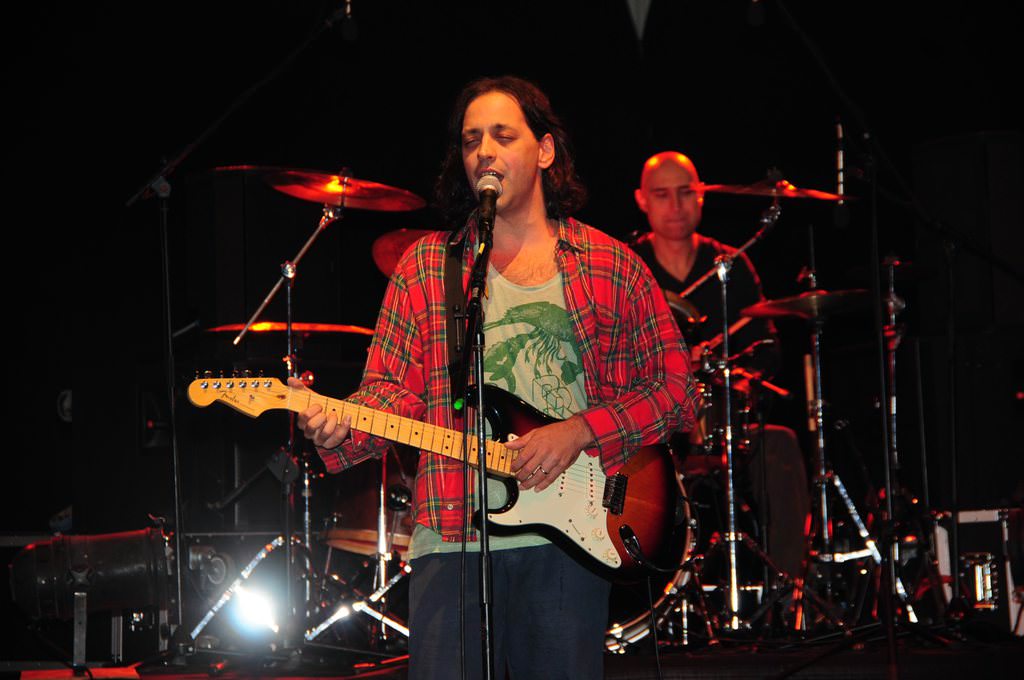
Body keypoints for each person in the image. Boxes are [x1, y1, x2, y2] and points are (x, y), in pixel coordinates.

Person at [291, 78, 698, 679]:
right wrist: (339, 424)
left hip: (569, 542)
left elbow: (676, 389)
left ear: (545, 150)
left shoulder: (611, 265)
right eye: (471, 140)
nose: (484, 150)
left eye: (503, 136)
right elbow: (391, 394)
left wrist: (580, 431)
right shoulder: (426, 266)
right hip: (448, 537)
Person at [631, 150, 810, 581]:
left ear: (702, 196)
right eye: (662, 194)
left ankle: (787, 592)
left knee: (780, 446)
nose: (676, 205)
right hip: (651, 429)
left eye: (685, 192)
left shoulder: (731, 265)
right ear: (642, 200)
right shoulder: (627, 266)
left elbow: (767, 350)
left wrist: (720, 365)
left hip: (723, 424)